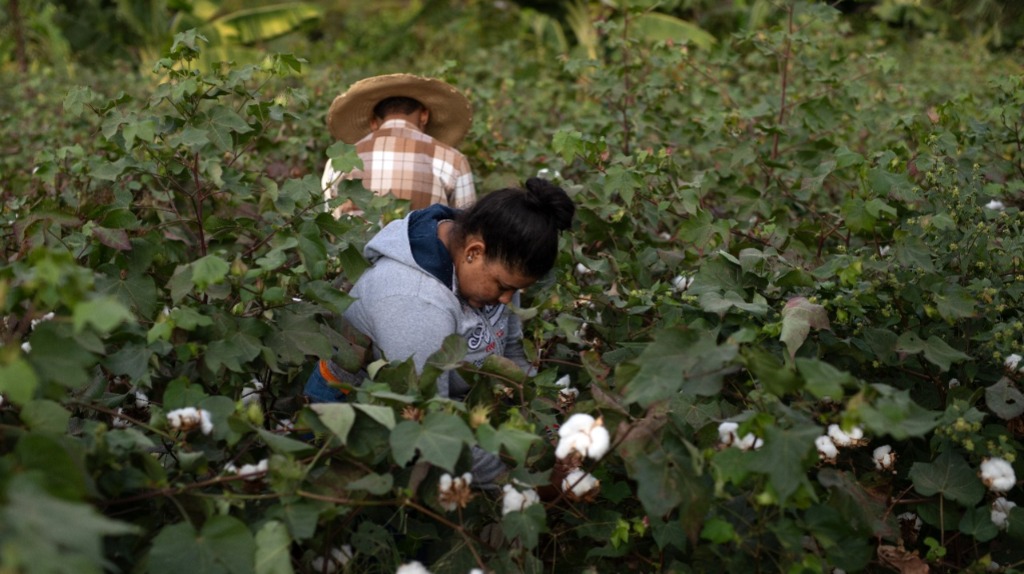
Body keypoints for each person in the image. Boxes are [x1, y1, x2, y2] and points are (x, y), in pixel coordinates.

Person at [305, 177, 576, 484]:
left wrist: (550, 430)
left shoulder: (496, 256)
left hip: (452, 412)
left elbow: (512, 354)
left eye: (513, 290)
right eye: (503, 287)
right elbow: (433, 425)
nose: (505, 299)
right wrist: (519, 485)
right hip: (354, 424)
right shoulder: (416, 302)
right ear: (474, 251)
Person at [322, 73, 477, 217]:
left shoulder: (339, 161)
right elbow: (465, 230)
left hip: (359, 247)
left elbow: (333, 225)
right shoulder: (453, 161)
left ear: (373, 122)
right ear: (424, 116)